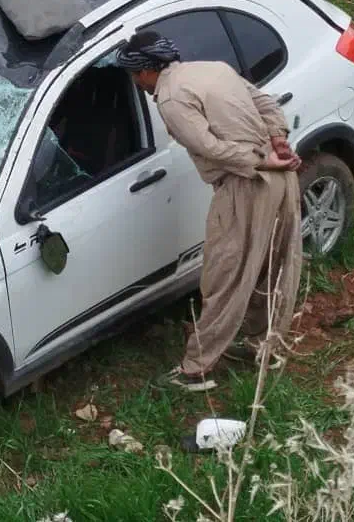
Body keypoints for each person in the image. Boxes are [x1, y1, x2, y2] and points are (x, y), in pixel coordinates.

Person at [115, 31, 303, 392]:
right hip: (281, 177)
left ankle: (196, 370)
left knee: (224, 276)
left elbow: (209, 147)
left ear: (146, 71)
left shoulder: (170, 98)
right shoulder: (213, 68)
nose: (136, 83)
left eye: (135, 75)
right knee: (273, 264)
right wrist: (278, 140)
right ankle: (262, 345)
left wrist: (261, 160)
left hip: (248, 183)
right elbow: (265, 103)